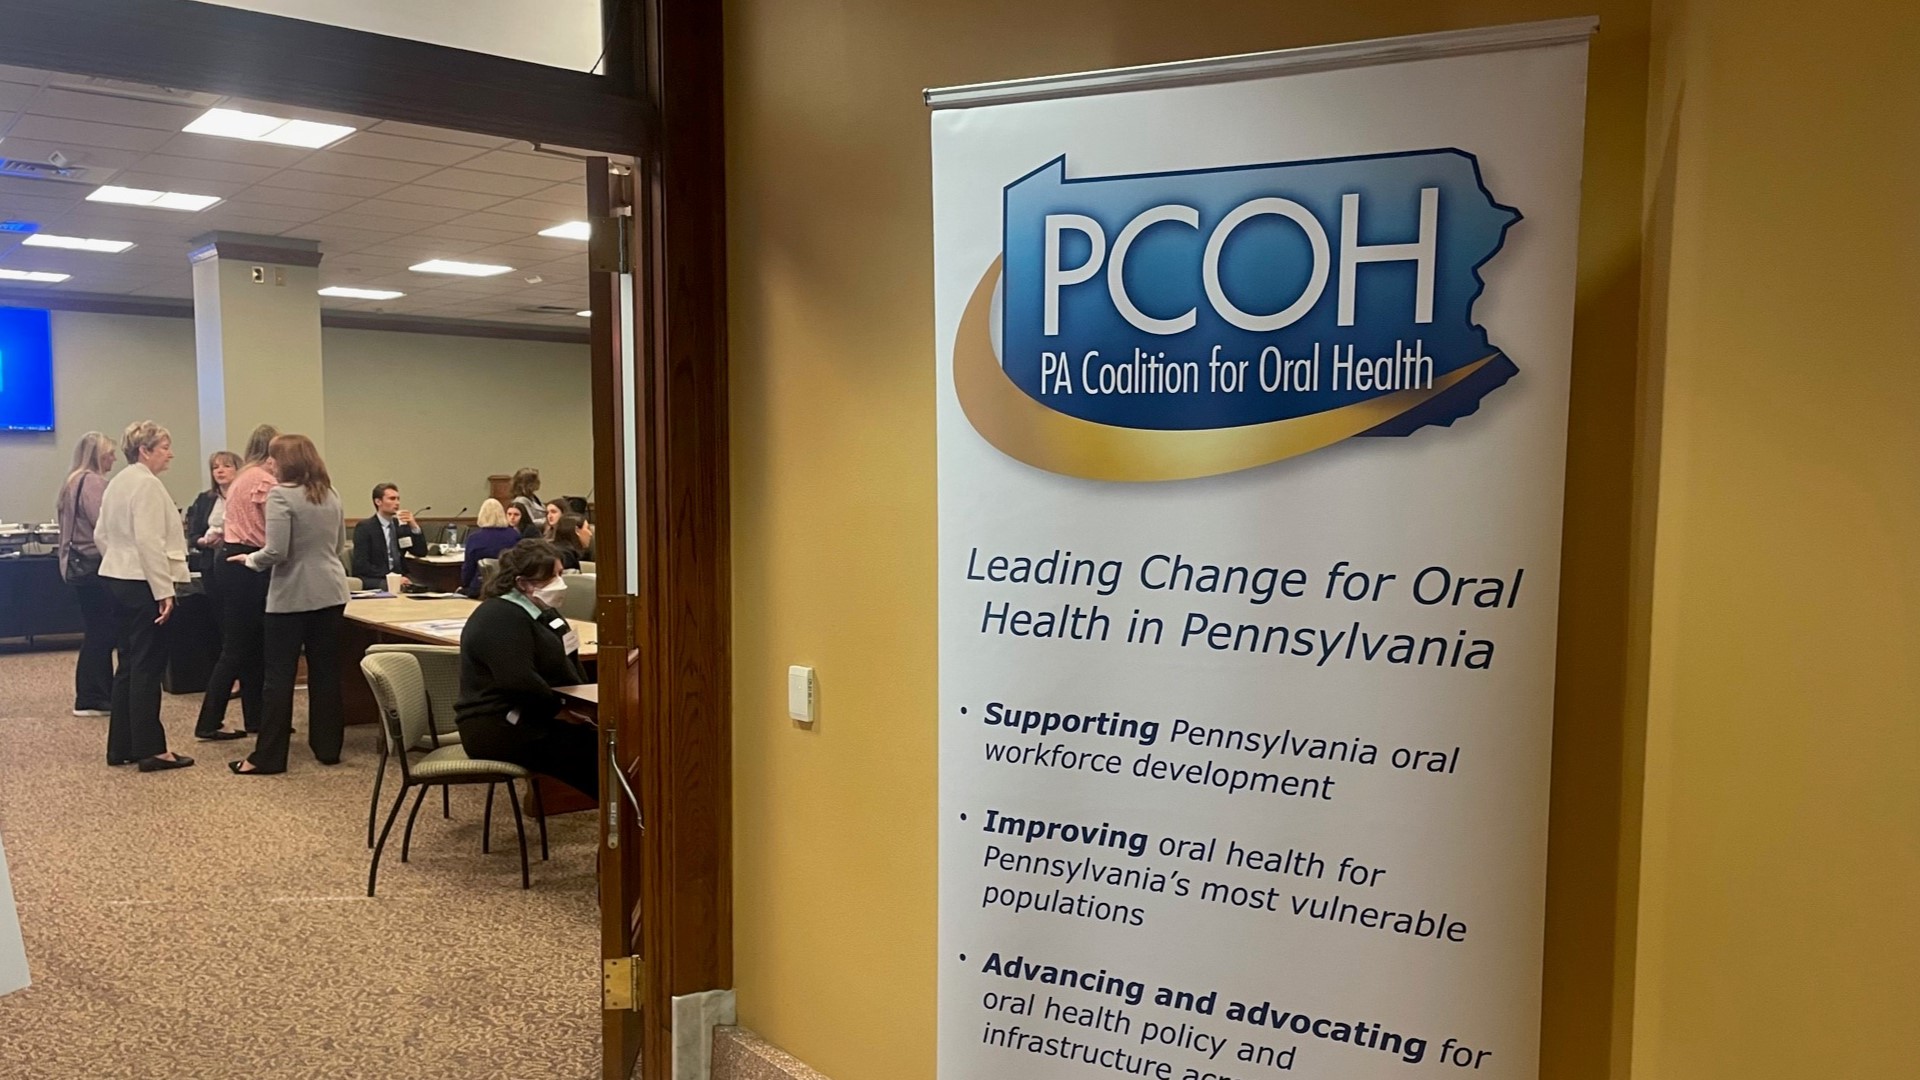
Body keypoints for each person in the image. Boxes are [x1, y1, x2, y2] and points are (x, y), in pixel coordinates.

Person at [230, 434, 352, 775]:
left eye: (273, 459)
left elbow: (276, 552)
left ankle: (268, 756)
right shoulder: (332, 494)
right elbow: (340, 545)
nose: (269, 464)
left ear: (287, 463)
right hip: (331, 592)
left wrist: (250, 561)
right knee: (326, 674)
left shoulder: (281, 496)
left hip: (292, 596)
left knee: (278, 677)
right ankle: (328, 748)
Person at [455, 539, 598, 798]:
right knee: (594, 750)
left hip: (532, 715)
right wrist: (561, 710)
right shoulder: (499, 617)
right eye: (550, 577)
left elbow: (567, 658)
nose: (559, 583)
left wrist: (583, 704)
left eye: (560, 574)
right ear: (523, 583)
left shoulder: (546, 612)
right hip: (498, 725)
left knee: (604, 741)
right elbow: (518, 682)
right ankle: (627, 827)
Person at [93, 421, 192, 772]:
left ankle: (121, 746)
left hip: (117, 577)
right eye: (165, 447)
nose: (171, 453)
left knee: (129, 665)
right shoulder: (148, 485)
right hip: (142, 583)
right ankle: (152, 749)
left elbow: (100, 533)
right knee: (148, 667)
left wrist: (119, 558)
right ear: (145, 450)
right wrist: (164, 591)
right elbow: (150, 541)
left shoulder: (118, 482)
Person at [195, 424, 278, 740]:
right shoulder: (265, 481)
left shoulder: (242, 476)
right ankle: (209, 721)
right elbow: (274, 528)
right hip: (248, 561)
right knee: (238, 646)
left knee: (250, 645)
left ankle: (255, 718)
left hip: (229, 558)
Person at [54, 431, 117, 718]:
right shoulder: (93, 483)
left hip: (76, 565)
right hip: (94, 565)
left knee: (96, 629)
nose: (114, 458)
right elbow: (104, 523)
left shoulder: (71, 481)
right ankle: (92, 695)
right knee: (102, 631)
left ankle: (99, 692)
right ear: (98, 455)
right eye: (110, 453)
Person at [350, 482, 425, 589]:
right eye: (392, 499)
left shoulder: (400, 525)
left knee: (427, 586)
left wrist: (414, 526)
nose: (397, 503)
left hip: (401, 577)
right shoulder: (365, 527)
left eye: (398, 499)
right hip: (376, 577)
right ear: (378, 501)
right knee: (394, 587)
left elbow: (420, 552)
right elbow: (361, 565)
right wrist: (392, 578)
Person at [183, 451, 239, 576]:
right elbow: (193, 535)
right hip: (210, 564)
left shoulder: (244, 498)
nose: (220, 471)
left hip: (237, 562)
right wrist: (204, 541)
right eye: (215, 467)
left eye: (227, 466)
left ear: (238, 470)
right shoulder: (205, 499)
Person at [461, 499, 523, 597]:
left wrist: (465, 584)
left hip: (481, 587)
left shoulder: (474, 538)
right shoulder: (514, 535)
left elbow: (468, 567)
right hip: (507, 586)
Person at [507, 467, 544, 538]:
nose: (539, 483)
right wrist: (547, 521)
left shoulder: (533, 497)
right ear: (528, 484)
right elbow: (529, 521)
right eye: (536, 481)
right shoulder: (520, 501)